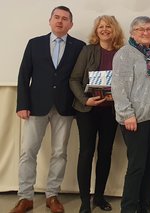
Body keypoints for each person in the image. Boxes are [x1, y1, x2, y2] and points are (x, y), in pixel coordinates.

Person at [11, 6, 85, 213]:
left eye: (65, 19)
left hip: (65, 107)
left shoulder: (79, 46)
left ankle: (52, 195)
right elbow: (24, 75)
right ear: (50, 20)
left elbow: (80, 77)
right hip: (35, 106)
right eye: (57, 17)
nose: (60, 21)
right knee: (28, 152)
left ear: (71, 24)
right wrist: (22, 105)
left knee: (60, 153)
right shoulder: (34, 44)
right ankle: (25, 197)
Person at [112, 16, 150, 213]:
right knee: (137, 168)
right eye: (141, 29)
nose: (146, 33)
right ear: (132, 32)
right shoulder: (124, 54)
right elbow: (119, 88)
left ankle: (144, 206)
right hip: (136, 120)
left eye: (149, 29)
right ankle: (129, 208)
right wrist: (127, 114)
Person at [69, 15, 125, 213]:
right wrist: (85, 100)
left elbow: (126, 82)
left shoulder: (122, 53)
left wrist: (118, 97)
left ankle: (99, 196)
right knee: (86, 153)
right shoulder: (88, 50)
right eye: (100, 26)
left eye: (108, 26)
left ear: (114, 29)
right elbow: (74, 79)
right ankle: (85, 200)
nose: (104, 30)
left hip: (110, 111)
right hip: (88, 110)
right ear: (96, 30)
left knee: (106, 153)